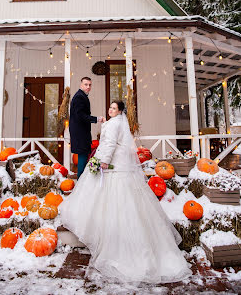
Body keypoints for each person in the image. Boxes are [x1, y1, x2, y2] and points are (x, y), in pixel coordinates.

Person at [60, 100, 192, 284]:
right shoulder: (120, 123)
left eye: (114, 108)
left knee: (115, 201)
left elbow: (110, 144)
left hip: (113, 165)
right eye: (110, 108)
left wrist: (103, 161)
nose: (110, 110)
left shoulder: (113, 124)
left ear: (120, 111)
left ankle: (119, 246)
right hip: (121, 166)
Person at [69, 77, 104, 179]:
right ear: (81, 85)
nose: (88, 87)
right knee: (83, 154)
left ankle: (82, 180)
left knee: (82, 154)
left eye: (90, 85)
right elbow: (80, 116)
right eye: (86, 84)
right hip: (80, 132)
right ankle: (80, 181)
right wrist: (97, 119)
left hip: (80, 131)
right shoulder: (80, 97)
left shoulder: (82, 96)